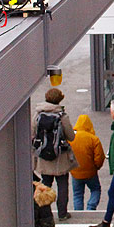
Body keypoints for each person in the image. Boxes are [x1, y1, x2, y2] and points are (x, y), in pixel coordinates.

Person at [32, 88, 75, 220]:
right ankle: (62, 213)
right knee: (62, 185)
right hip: (60, 157)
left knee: (45, 184)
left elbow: (33, 133)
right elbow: (71, 136)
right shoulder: (62, 116)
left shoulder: (38, 115)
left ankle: (44, 212)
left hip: (44, 156)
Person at [70, 114, 105, 210]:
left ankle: (78, 211)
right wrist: (96, 167)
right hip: (90, 172)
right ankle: (91, 207)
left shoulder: (71, 138)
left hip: (75, 172)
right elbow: (99, 157)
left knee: (77, 194)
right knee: (95, 189)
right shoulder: (93, 139)